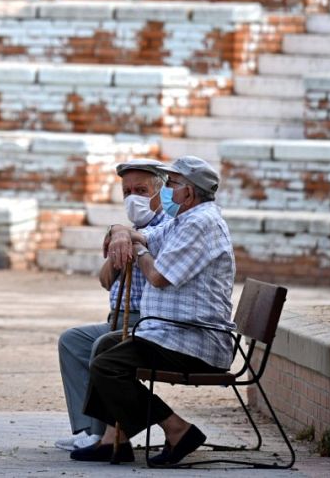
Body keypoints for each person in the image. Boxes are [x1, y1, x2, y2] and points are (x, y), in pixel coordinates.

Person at [72, 156, 235, 466]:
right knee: (107, 346)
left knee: (108, 366)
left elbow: (158, 276)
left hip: (194, 338)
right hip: (171, 332)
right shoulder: (184, 219)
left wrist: (139, 251)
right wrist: (122, 233)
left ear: (189, 192)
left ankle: (177, 429)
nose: (167, 191)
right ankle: (114, 439)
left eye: (171, 184)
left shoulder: (201, 223)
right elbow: (144, 236)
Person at [54, 159, 172, 451]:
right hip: (118, 318)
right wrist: (119, 237)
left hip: (147, 321)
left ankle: (101, 435)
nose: (133, 198)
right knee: (72, 340)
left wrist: (132, 241)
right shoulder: (132, 229)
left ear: (160, 193)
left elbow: (161, 275)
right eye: (127, 192)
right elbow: (106, 280)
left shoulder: (166, 228)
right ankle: (86, 429)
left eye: (141, 191)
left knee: (103, 346)